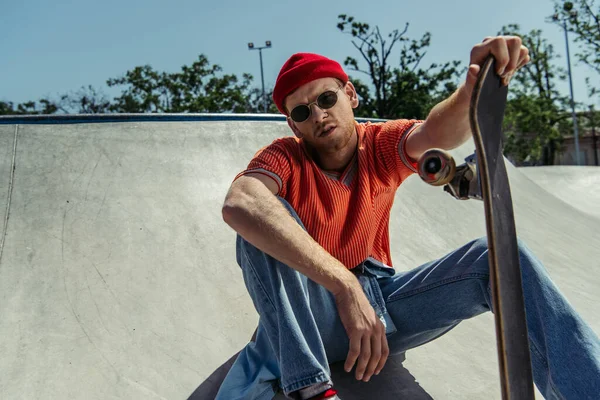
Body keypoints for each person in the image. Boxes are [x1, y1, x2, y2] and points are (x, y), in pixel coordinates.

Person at [216, 36, 600, 400]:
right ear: (293, 125)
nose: (319, 115)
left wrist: (471, 93)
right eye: (302, 111)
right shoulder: (284, 156)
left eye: (327, 98)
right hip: (307, 320)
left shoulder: (380, 144)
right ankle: (312, 388)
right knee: (260, 217)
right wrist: (344, 287)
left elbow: (435, 133)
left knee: (498, 256)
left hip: (382, 309)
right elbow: (239, 202)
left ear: (350, 95)